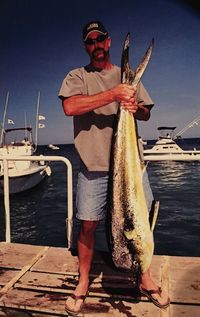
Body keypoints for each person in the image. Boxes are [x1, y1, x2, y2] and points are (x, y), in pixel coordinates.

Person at [59, 21, 170, 315]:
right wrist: (114, 95)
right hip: (92, 166)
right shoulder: (77, 76)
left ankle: (144, 278)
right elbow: (69, 107)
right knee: (87, 226)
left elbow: (146, 113)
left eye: (100, 39)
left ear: (108, 43)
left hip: (130, 167)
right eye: (90, 41)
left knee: (141, 222)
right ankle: (83, 282)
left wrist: (136, 107)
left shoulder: (125, 76)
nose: (95, 45)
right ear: (86, 46)